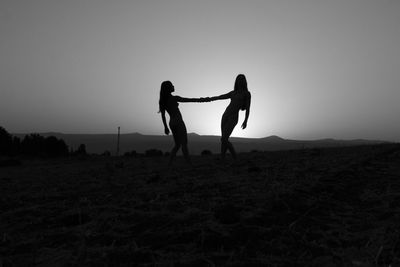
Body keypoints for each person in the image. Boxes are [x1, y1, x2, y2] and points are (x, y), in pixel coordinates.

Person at [159, 80, 206, 165]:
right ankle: (189, 163)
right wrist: (200, 100)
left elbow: (163, 115)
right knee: (184, 143)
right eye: (172, 85)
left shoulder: (163, 101)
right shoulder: (174, 98)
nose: (173, 86)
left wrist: (165, 127)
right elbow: (188, 100)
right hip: (178, 122)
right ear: (168, 88)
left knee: (177, 145)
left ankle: (169, 163)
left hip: (171, 123)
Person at [207, 74, 251, 160]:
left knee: (224, 139)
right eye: (238, 79)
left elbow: (248, 108)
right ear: (236, 81)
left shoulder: (247, 94)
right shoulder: (233, 93)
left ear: (245, 81)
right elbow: (221, 97)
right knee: (224, 139)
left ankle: (235, 158)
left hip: (233, 117)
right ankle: (222, 158)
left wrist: (245, 121)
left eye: (242, 79)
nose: (240, 81)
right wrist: (210, 98)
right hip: (225, 115)